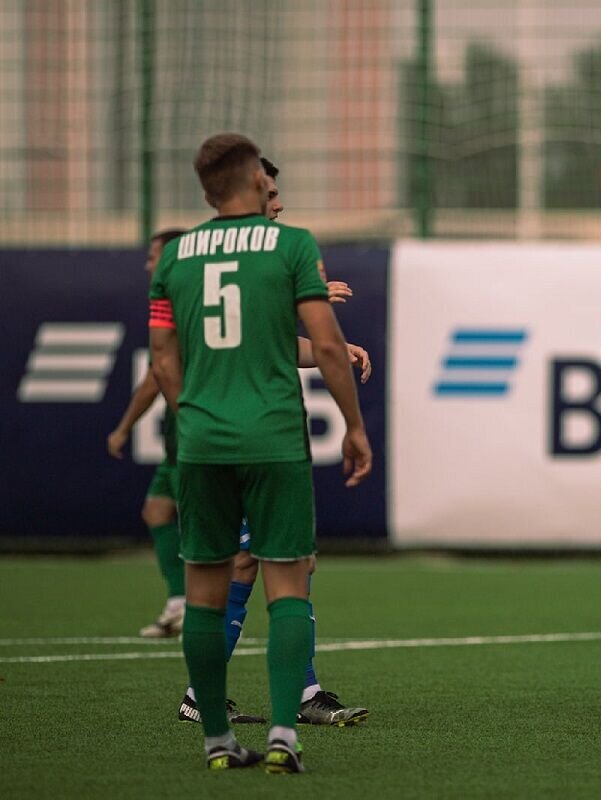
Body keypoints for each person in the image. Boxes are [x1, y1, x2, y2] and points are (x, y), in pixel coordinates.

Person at [150, 132, 371, 772]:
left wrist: (190, 416)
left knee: (204, 586)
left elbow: (165, 356)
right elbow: (324, 347)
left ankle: (217, 739)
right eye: (268, 186)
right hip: (273, 436)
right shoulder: (291, 246)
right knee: (290, 577)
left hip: (201, 440)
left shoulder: (177, 255)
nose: (275, 196)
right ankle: (283, 732)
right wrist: (355, 428)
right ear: (253, 180)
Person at [107, 229, 188, 638]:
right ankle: (179, 603)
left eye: (154, 255)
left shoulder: (184, 300)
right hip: (179, 435)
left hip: (197, 431)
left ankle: (213, 613)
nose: (147, 263)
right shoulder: (165, 299)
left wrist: (124, 427)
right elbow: (158, 372)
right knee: (157, 510)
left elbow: (160, 374)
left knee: (210, 532)